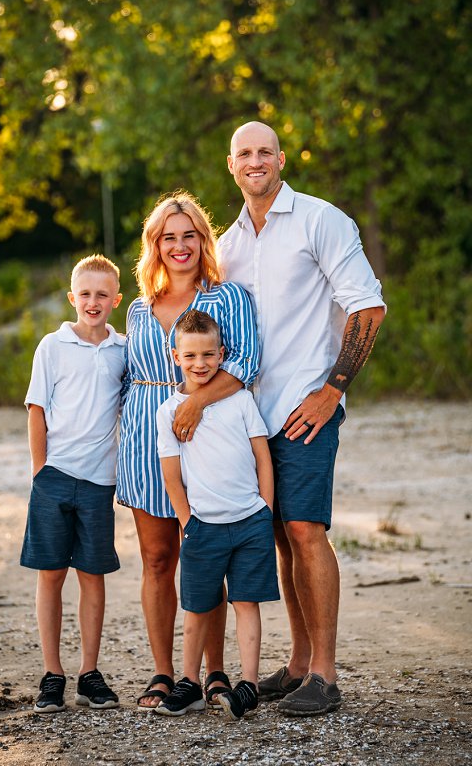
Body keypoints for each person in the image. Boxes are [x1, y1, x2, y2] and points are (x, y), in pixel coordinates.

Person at [214, 121, 386, 717]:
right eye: (245, 154)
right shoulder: (227, 244)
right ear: (231, 165)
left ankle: (326, 675)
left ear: (281, 159)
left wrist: (333, 389)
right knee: (282, 539)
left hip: (306, 410)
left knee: (308, 531)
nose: (255, 161)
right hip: (248, 420)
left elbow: (367, 304)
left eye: (265, 151)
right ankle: (296, 664)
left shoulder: (321, 219)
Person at [116, 191, 260, 710]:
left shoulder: (226, 298)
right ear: (155, 245)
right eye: (168, 237)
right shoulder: (137, 309)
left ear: (204, 240)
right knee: (157, 559)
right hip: (143, 438)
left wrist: (195, 402)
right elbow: (126, 377)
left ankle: (216, 673)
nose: (180, 245)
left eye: (189, 235)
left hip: (207, 443)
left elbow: (247, 362)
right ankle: (163, 673)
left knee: (208, 557)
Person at [154, 310, 279, 720]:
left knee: (246, 602)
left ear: (222, 353)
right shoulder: (168, 411)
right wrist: (188, 520)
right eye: (190, 356)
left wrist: (265, 509)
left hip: (250, 522)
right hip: (203, 525)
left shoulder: (241, 400)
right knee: (197, 606)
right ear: (176, 357)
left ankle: (248, 686)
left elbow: (263, 455)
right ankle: (189, 683)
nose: (200, 363)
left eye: (209, 354)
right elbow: (171, 475)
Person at [20, 254, 125, 713]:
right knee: (51, 575)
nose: (93, 301)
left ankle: (89, 672)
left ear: (116, 300)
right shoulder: (53, 346)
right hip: (55, 478)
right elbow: (37, 409)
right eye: (85, 294)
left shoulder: (123, 349)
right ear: (71, 298)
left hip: (100, 482)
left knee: (93, 576)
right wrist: (41, 470)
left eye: (103, 294)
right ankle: (52, 673)